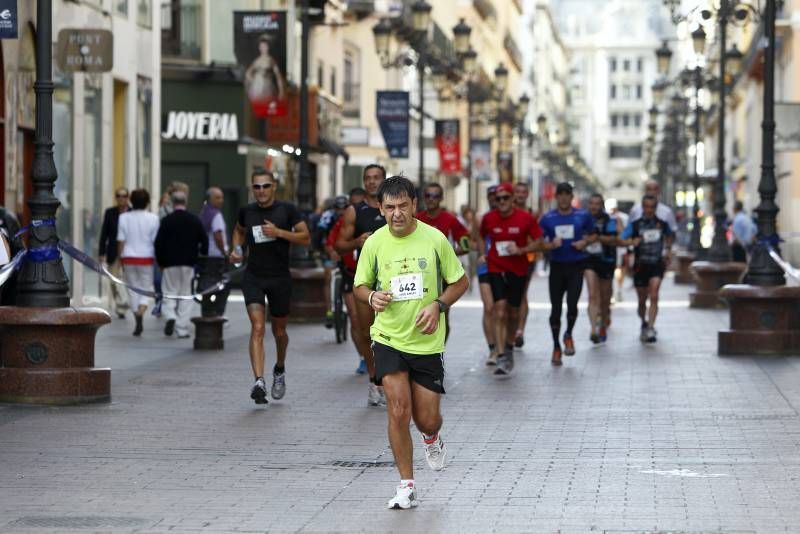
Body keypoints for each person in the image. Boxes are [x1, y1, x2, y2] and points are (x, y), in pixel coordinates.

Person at [353, 176, 469, 510]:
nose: (397, 214)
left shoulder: (434, 240)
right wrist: (372, 296)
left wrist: (439, 305)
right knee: (399, 409)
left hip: (427, 343)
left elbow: (460, 282)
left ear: (415, 205)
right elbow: (359, 286)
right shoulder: (375, 243)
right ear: (380, 208)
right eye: (389, 207)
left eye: (403, 206)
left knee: (427, 419)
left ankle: (432, 439)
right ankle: (406, 485)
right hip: (388, 338)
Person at [230, 169, 311, 405]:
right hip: (253, 276)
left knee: (279, 333)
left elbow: (305, 237)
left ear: (274, 187)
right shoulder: (247, 211)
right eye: (257, 187)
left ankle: (279, 368)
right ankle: (259, 381)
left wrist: (279, 233)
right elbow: (238, 230)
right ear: (252, 189)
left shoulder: (287, 210)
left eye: (266, 186)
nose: (261, 191)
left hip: (279, 278)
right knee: (257, 327)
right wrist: (236, 249)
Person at [335, 164, 388, 406]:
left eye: (376, 177)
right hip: (366, 280)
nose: (371, 182)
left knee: (391, 335)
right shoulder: (354, 211)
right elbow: (339, 245)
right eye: (368, 178)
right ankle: (374, 379)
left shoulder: (394, 207)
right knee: (367, 333)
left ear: (384, 180)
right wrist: (356, 241)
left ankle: (390, 380)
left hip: (392, 280)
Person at [478, 183, 543, 376]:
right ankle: (500, 354)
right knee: (499, 310)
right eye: (498, 199)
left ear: (513, 199)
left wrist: (522, 250)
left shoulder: (526, 218)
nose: (502, 202)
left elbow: (539, 241)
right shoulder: (488, 218)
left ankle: (509, 346)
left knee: (513, 312)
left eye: (506, 198)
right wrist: (483, 253)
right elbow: (480, 236)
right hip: (496, 268)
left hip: (518, 270)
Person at [538, 182, 595, 365]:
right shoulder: (548, 218)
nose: (563, 197)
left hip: (576, 266)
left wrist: (585, 242)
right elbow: (538, 242)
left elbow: (593, 234)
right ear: (556, 197)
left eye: (567, 194)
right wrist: (549, 245)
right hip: (556, 267)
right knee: (555, 309)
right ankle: (556, 347)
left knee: (572, 305)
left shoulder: (582, 216)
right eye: (560, 194)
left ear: (572, 197)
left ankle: (568, 334)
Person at [416, 182, 470, 340]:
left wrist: (448, 253)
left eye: (435, 196)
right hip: (420, 274)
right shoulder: (417, 219)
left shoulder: (451, 220)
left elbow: (466, 244)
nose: (431, 199)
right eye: (428, 195)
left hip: (443, 275)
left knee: (442, 314)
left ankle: (440, 350)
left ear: (441, 198)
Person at [619, 194, 674, 343]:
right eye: (646, 207)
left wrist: (668, 250)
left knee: (654, 295)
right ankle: (643, 322)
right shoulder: (636, 224)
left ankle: (650, 327)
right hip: (640, 265)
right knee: (642, 300)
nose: (649, 210)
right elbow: (622, 239)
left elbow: (670, 236)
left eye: (652, 207)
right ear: (642, 207)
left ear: (656, 208)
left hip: (656, 264)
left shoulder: (662, 224)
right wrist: (632, 241)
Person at [155, 191, 208, 339]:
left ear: (172, 203)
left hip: (169, 264)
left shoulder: (166, 221)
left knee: (169, 292)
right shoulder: (194, 220)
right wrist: (200, 258)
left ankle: (170, 315)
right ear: (186, 202)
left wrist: (161, 262)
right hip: (189, 264)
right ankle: (182, 328)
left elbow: (158, 243)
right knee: (186, 295)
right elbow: (204, 241)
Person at [325, 193, 367, 374]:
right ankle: (363, 358)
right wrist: (334, 252)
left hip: (374, 277)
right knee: (355, 318)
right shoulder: (340, 223)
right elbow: (332, 243)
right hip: (351, 274)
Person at [117, 189, 160, 337]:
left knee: (132, 288)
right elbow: (156, 241)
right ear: (147, 202)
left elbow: (121, 241)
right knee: (146, 286)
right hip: (146, 257)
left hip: (128, 257)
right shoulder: (154, 218)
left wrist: (120, 258)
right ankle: (142, 308)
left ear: (131, 201)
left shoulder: (123, 218)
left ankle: (137, 313)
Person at [584, 194, 620, 344]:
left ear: (602, 205)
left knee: (605, 297)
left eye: (597, 204)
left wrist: (597, 238)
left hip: (606, 260)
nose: (594, 207)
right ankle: (593, 329)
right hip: (588, 260)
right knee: (592, 294)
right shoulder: (583, 219)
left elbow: (613, 238)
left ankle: (603, 322)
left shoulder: (609, 220)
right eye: (591, 203)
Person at [474, 186, 498, 365]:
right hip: (485, 267)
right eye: (491, 196)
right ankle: (492, 348)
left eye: (497, 196)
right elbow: (474, 238)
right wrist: (482, 252)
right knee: (489, 307)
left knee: (504, 310)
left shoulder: (511, 217)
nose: (494, 199)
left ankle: (506, 344)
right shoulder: (480, 218)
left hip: (505, 267)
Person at [99, 188, 131, 319]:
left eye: (124, 196)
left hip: (129, 252)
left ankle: (124, 304)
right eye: (118, 195)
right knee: (113, 280)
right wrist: (102, 252)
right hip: (113, 252)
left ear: (128, 197)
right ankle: (120, 305)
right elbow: (104, 233)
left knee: (126, 280)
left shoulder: (133, 212)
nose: (121, 198)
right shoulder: (110, 212)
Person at [512, 181, 537, 348]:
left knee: (522, 294)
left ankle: (519, 330)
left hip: (527, 258)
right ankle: (512, 328)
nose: (521, 195)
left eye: (523, 192)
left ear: (527, 194)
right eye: (518, 192)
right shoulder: (506, 210)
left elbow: (537, 237)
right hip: (506, 258)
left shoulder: (532, 213)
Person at [199, 187, 230, 316]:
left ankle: (207, 312)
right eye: (217, 197)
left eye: (222, 197)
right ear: (210, 199)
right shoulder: (216, 215)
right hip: (217, 257)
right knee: (223, 286)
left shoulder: (203, 213)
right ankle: (218, 313)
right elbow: (218, 236)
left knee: (207, 286)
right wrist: (224, 252)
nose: (221, 200)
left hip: (205, 256)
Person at [245, 35, 287, 116]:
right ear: (259, 48)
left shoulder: (271, 60)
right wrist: (253, 80)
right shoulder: (257, 61)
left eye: (265, 46)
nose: (263, 48)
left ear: (268, 47)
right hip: (257, 88)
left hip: (268, 87)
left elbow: (278, 76)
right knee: (256, 108)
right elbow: (248, 73)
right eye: (261, 46)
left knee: (267, 108)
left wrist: (281, 91)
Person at [606, 198, 629, 303]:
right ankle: (613, 291)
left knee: (620, 269)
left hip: (621, 248)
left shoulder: (623, 217)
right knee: (613, 270)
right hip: (608, 248)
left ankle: (618, 289)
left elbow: (626, 233)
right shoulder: (604, 217)